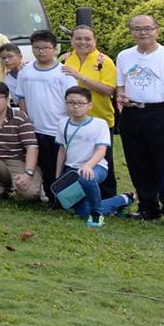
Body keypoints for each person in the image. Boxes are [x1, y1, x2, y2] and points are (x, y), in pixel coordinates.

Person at [115, 13, 164, 227]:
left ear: (156, 30)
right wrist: (122, 96)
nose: (143, 32)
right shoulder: (124, 56)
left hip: (161, 114)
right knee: (138, 163)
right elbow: (120, 84)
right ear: (131, 32)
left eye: (147, 28)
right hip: (132, 115)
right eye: (137, 28)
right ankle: (147, 207)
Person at [13, 30, 75, 201]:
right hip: (35, 128)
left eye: (45, 48)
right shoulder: (25, 72)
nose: (41, 51)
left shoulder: (64, 73)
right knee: (41, 164)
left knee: (59, 165)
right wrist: (25, 122)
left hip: (58, 128)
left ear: (55, 49)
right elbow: (22, 98)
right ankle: (47, 195)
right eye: (36, 48)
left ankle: (62, 198)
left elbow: (72, 101)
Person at [56, 85, 130, 227]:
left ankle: (97, 213)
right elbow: (62, 150)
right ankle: (123, 200)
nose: (75, 107)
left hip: (96, 167)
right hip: (71, 170)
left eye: (80, 103)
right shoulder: (62, 123)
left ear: (89, 105)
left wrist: (89, 165)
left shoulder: (99, 124)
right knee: (83, 212)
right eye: (70, 103)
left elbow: (102, 150)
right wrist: (58, 175)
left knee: (86, 177)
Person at [62, 24, 118, 129]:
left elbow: (109, 91)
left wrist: (81, 78)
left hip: (100, 120)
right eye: (78, 38)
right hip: (71, 119)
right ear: (72, 40)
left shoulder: (104, 61)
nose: (83, 42)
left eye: (88, 39)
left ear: (94, 41)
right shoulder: (65, 59)